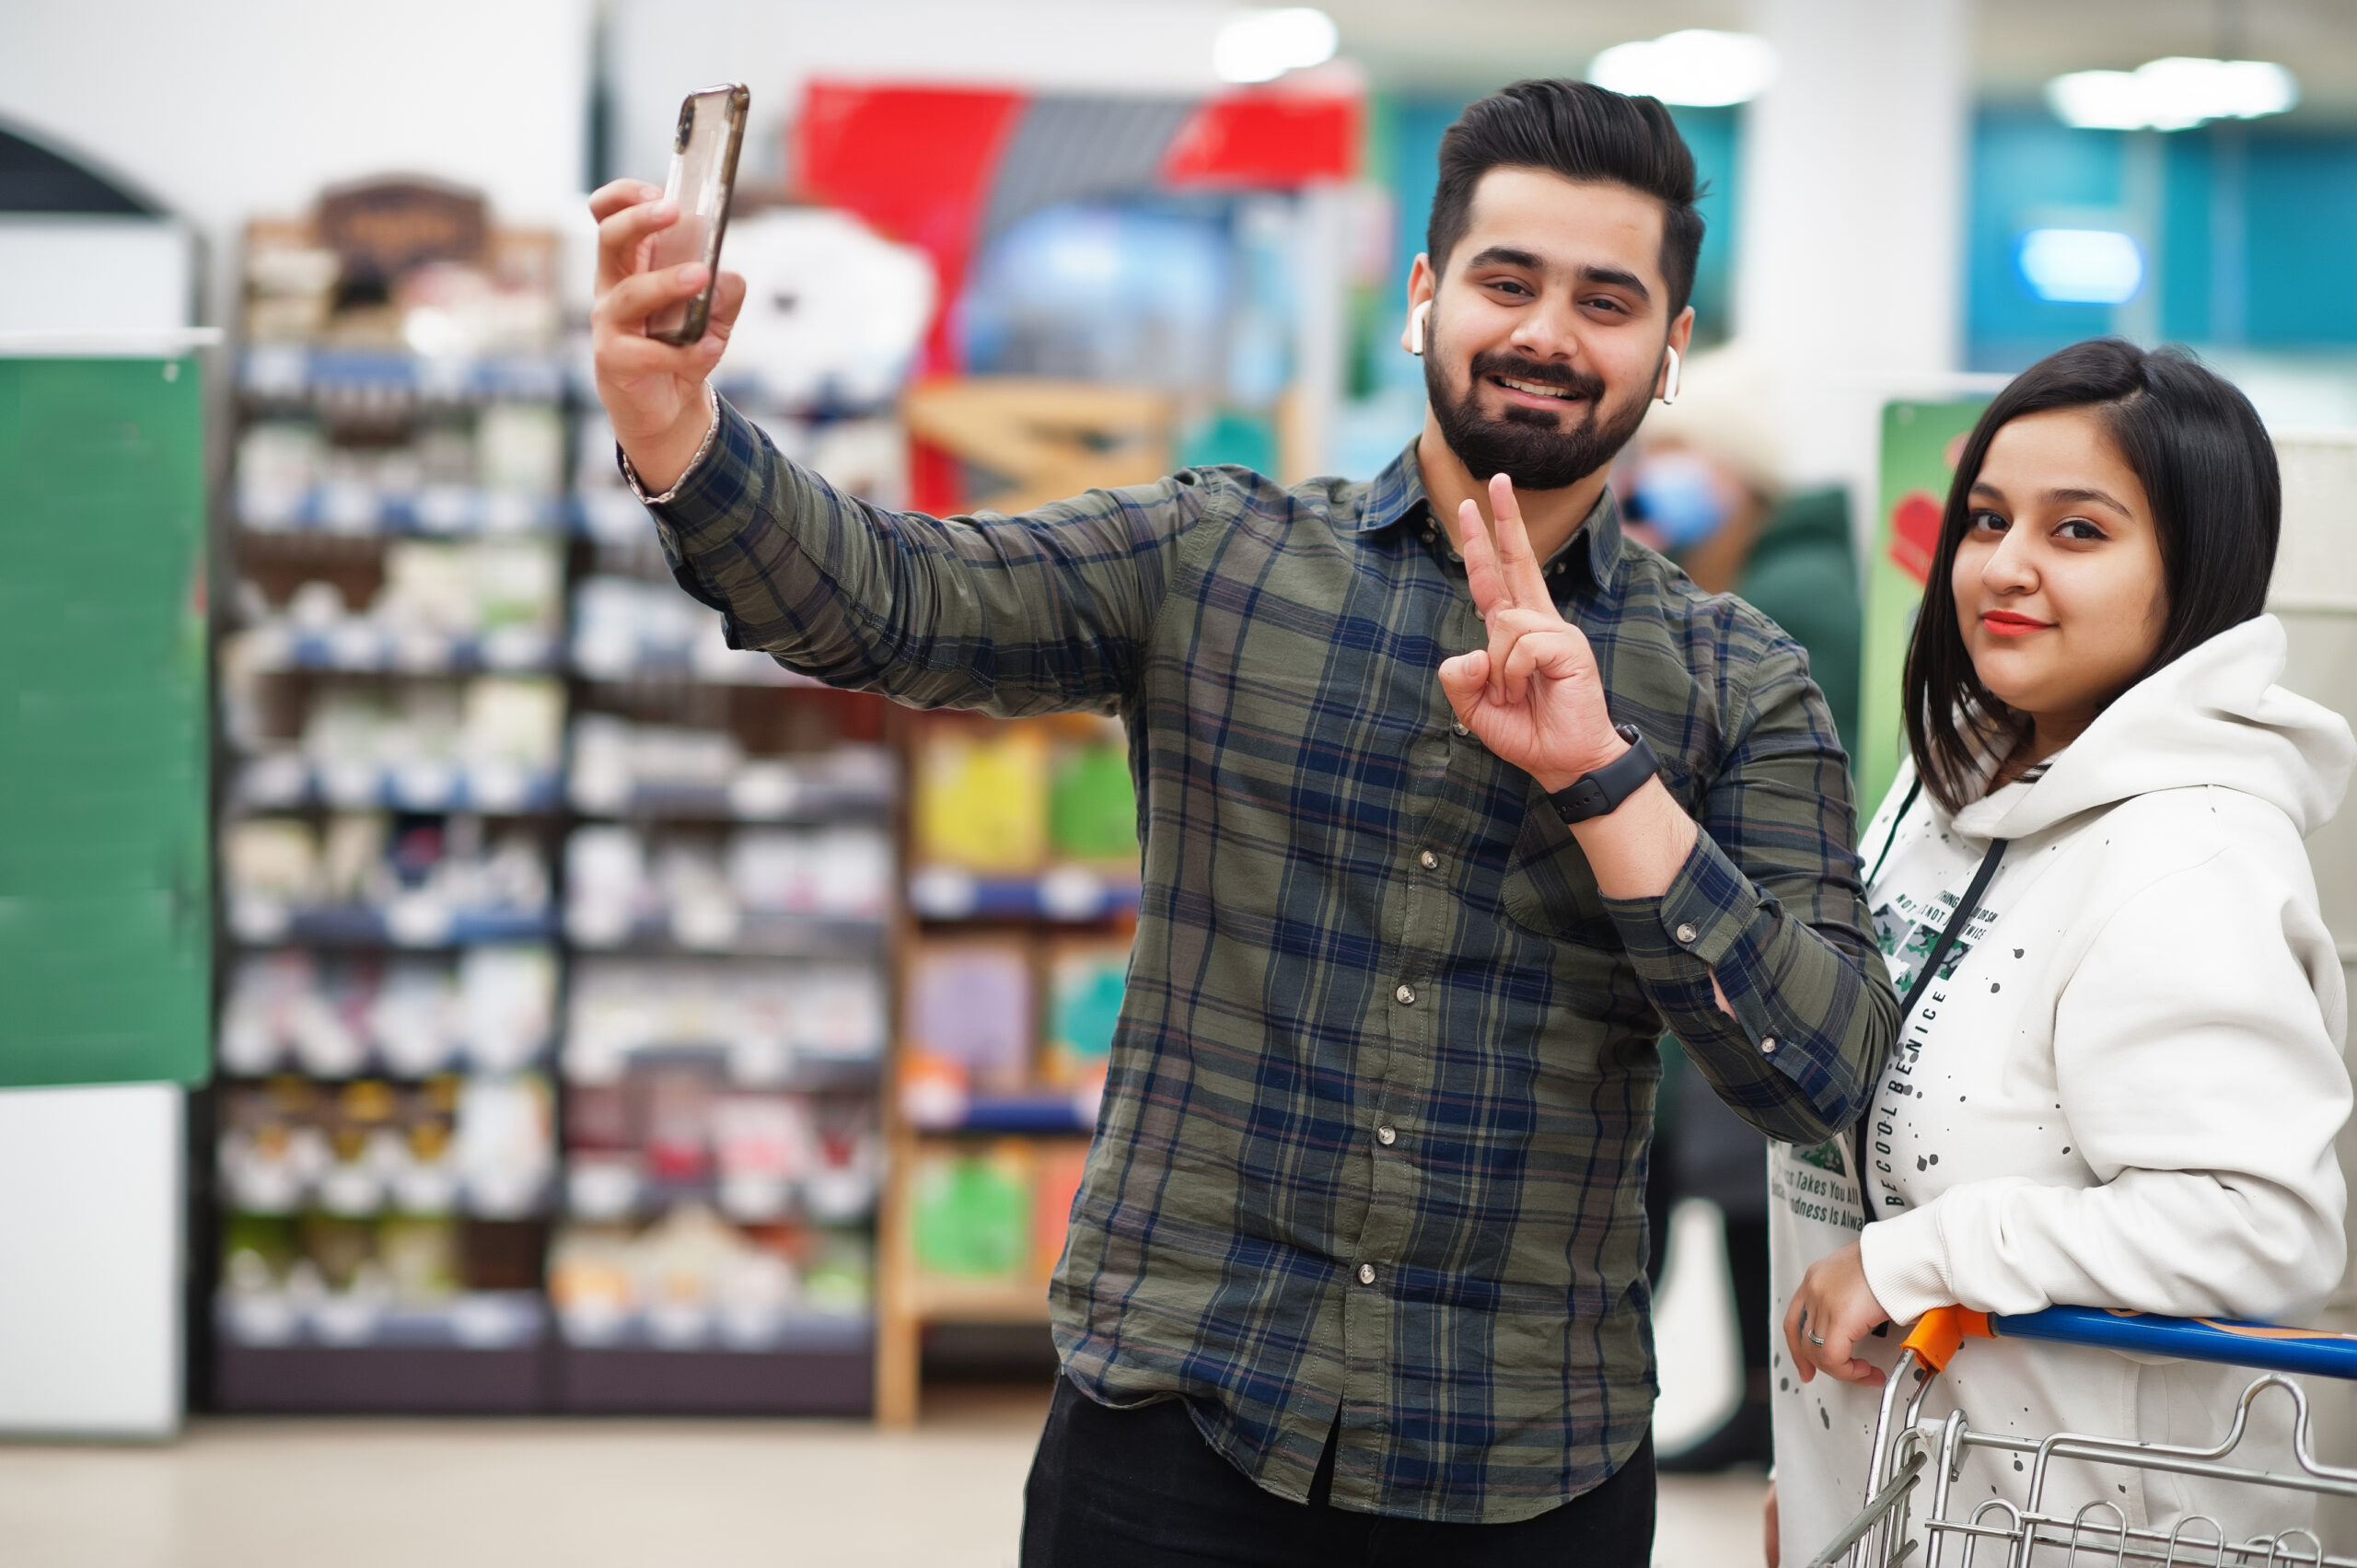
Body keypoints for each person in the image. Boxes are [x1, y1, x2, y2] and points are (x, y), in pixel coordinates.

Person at [590, 78, 1898, 1567]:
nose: (1546, 331)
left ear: (1669, 352)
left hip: (1529, 1459)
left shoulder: (1742, 679)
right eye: (1507, 279)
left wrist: (1604, 776)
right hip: (1178, 1424)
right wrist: (682, 432)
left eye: (1607, 300)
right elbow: (893, 599)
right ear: (1423, 297)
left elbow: (1823, 1062)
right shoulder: (1217, 556)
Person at [1766, 339, 2353, 1566]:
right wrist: (1819, 1478)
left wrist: (1916, 1256)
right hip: (1892, 1506)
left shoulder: (2193, 854)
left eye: (2078, 531)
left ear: (2191, 570)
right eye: (1986, 518)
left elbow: (2260, 1227)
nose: (2005, 565)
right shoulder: (1941, 790)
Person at [1619, 347, 1866, 1472]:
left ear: (1737, 472)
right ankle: (1747, 1410)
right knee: (1718, 1173)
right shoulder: (1742, 570)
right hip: (1734, 912)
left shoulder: (1790, 593)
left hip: (1761, 923)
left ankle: (1762, 1414)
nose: (1655, 476)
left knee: (1742, 1171)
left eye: (1679, 454)